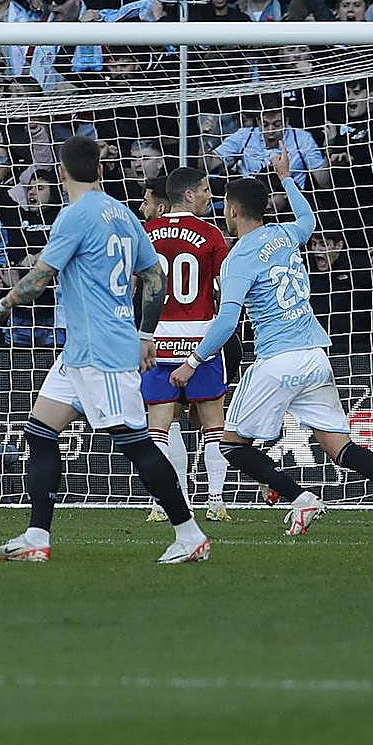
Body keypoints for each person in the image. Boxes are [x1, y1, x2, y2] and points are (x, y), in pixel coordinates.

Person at [0, 136, 209, 564]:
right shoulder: (123, 215)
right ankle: (36, 535)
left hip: (101, 352)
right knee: (40, 431)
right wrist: (145, 335)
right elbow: (155, 277)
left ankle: (189, 531)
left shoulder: (74, 216)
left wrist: (1, 305)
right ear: (100, 171)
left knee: (135, 443)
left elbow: (40, 277)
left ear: (62, 173)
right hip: (83, 352)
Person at [170, 151, 373, 532]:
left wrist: (192, 362)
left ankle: (302, 498)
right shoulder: (284, 235)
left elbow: (227, 320)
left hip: (278, 360)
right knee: (338, 446)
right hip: (315, 354)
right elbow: (308, 221)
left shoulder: (238, 258)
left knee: (231, 445)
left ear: (231, 211)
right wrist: (287, 178)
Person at [139, 167, 232, 523]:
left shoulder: (146, 233)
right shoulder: (210, 233)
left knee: (160, 424)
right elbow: (225, 286)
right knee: (212, 423)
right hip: (200, 339)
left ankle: (162, 503)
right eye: (206, 189)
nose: (211, 195)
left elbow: (138, 286)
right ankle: (216, 501)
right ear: (189, 194)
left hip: (158, 339)